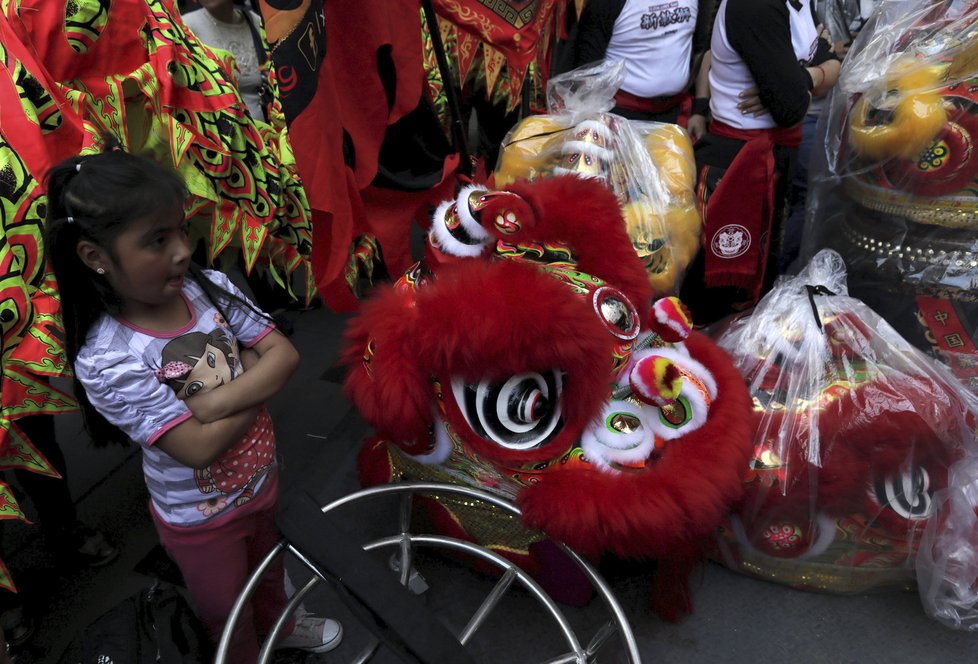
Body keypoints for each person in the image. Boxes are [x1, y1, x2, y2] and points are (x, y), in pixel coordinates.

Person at [42, 140, 342, 661]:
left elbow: (285, 356)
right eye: (157, 240)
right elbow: (197, 449)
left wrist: (211, 403)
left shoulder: (211, 288)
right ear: (95, 258)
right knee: (226, 609)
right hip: (202, 520)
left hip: (263, 478)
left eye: (180, 229)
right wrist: (251, 374)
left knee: (271, 568)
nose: (182, 249)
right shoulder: (108, 358)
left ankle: (283, 626)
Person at [679, 0, 841, 324]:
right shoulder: (755, 6)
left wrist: (804, 78)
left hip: (776, 153)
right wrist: (800, 85)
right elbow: (790, 107)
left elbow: (830, 60)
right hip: (738, 164)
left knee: (759, 291)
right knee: (716, 296)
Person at [566, 0, 716, 126]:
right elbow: (585, 69)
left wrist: (699, 109)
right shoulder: (606, 3)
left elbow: (700, 49)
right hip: (616, 115)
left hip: (674, 113)